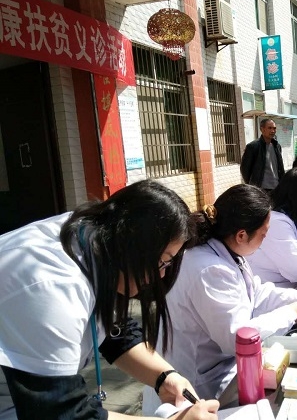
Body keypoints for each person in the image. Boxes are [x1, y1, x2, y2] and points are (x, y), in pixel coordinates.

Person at [0, 180, 219, 420]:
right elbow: (61, 413)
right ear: (132, 244)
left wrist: (165, 376)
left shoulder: (96, 237)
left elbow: (114, 329)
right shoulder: (53, 290)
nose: (162, 275)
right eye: (161, 262)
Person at [142, 184, 297, 412]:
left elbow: (256, 293)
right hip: (195, 390)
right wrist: (291, 313)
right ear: (241, 235)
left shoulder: (226, 252)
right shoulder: (209, 269)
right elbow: (236, 338)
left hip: (216, 375)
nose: (265, 241)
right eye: (263, 235)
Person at [240, 118, 285, 191]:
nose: (273, 131)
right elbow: (245, 169)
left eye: (274, 128)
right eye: (269, 128)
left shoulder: (277, 146)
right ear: (262, 129)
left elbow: (280, 167)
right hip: (261, 188)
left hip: (277, 187)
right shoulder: (253, 146)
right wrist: (252, 186)